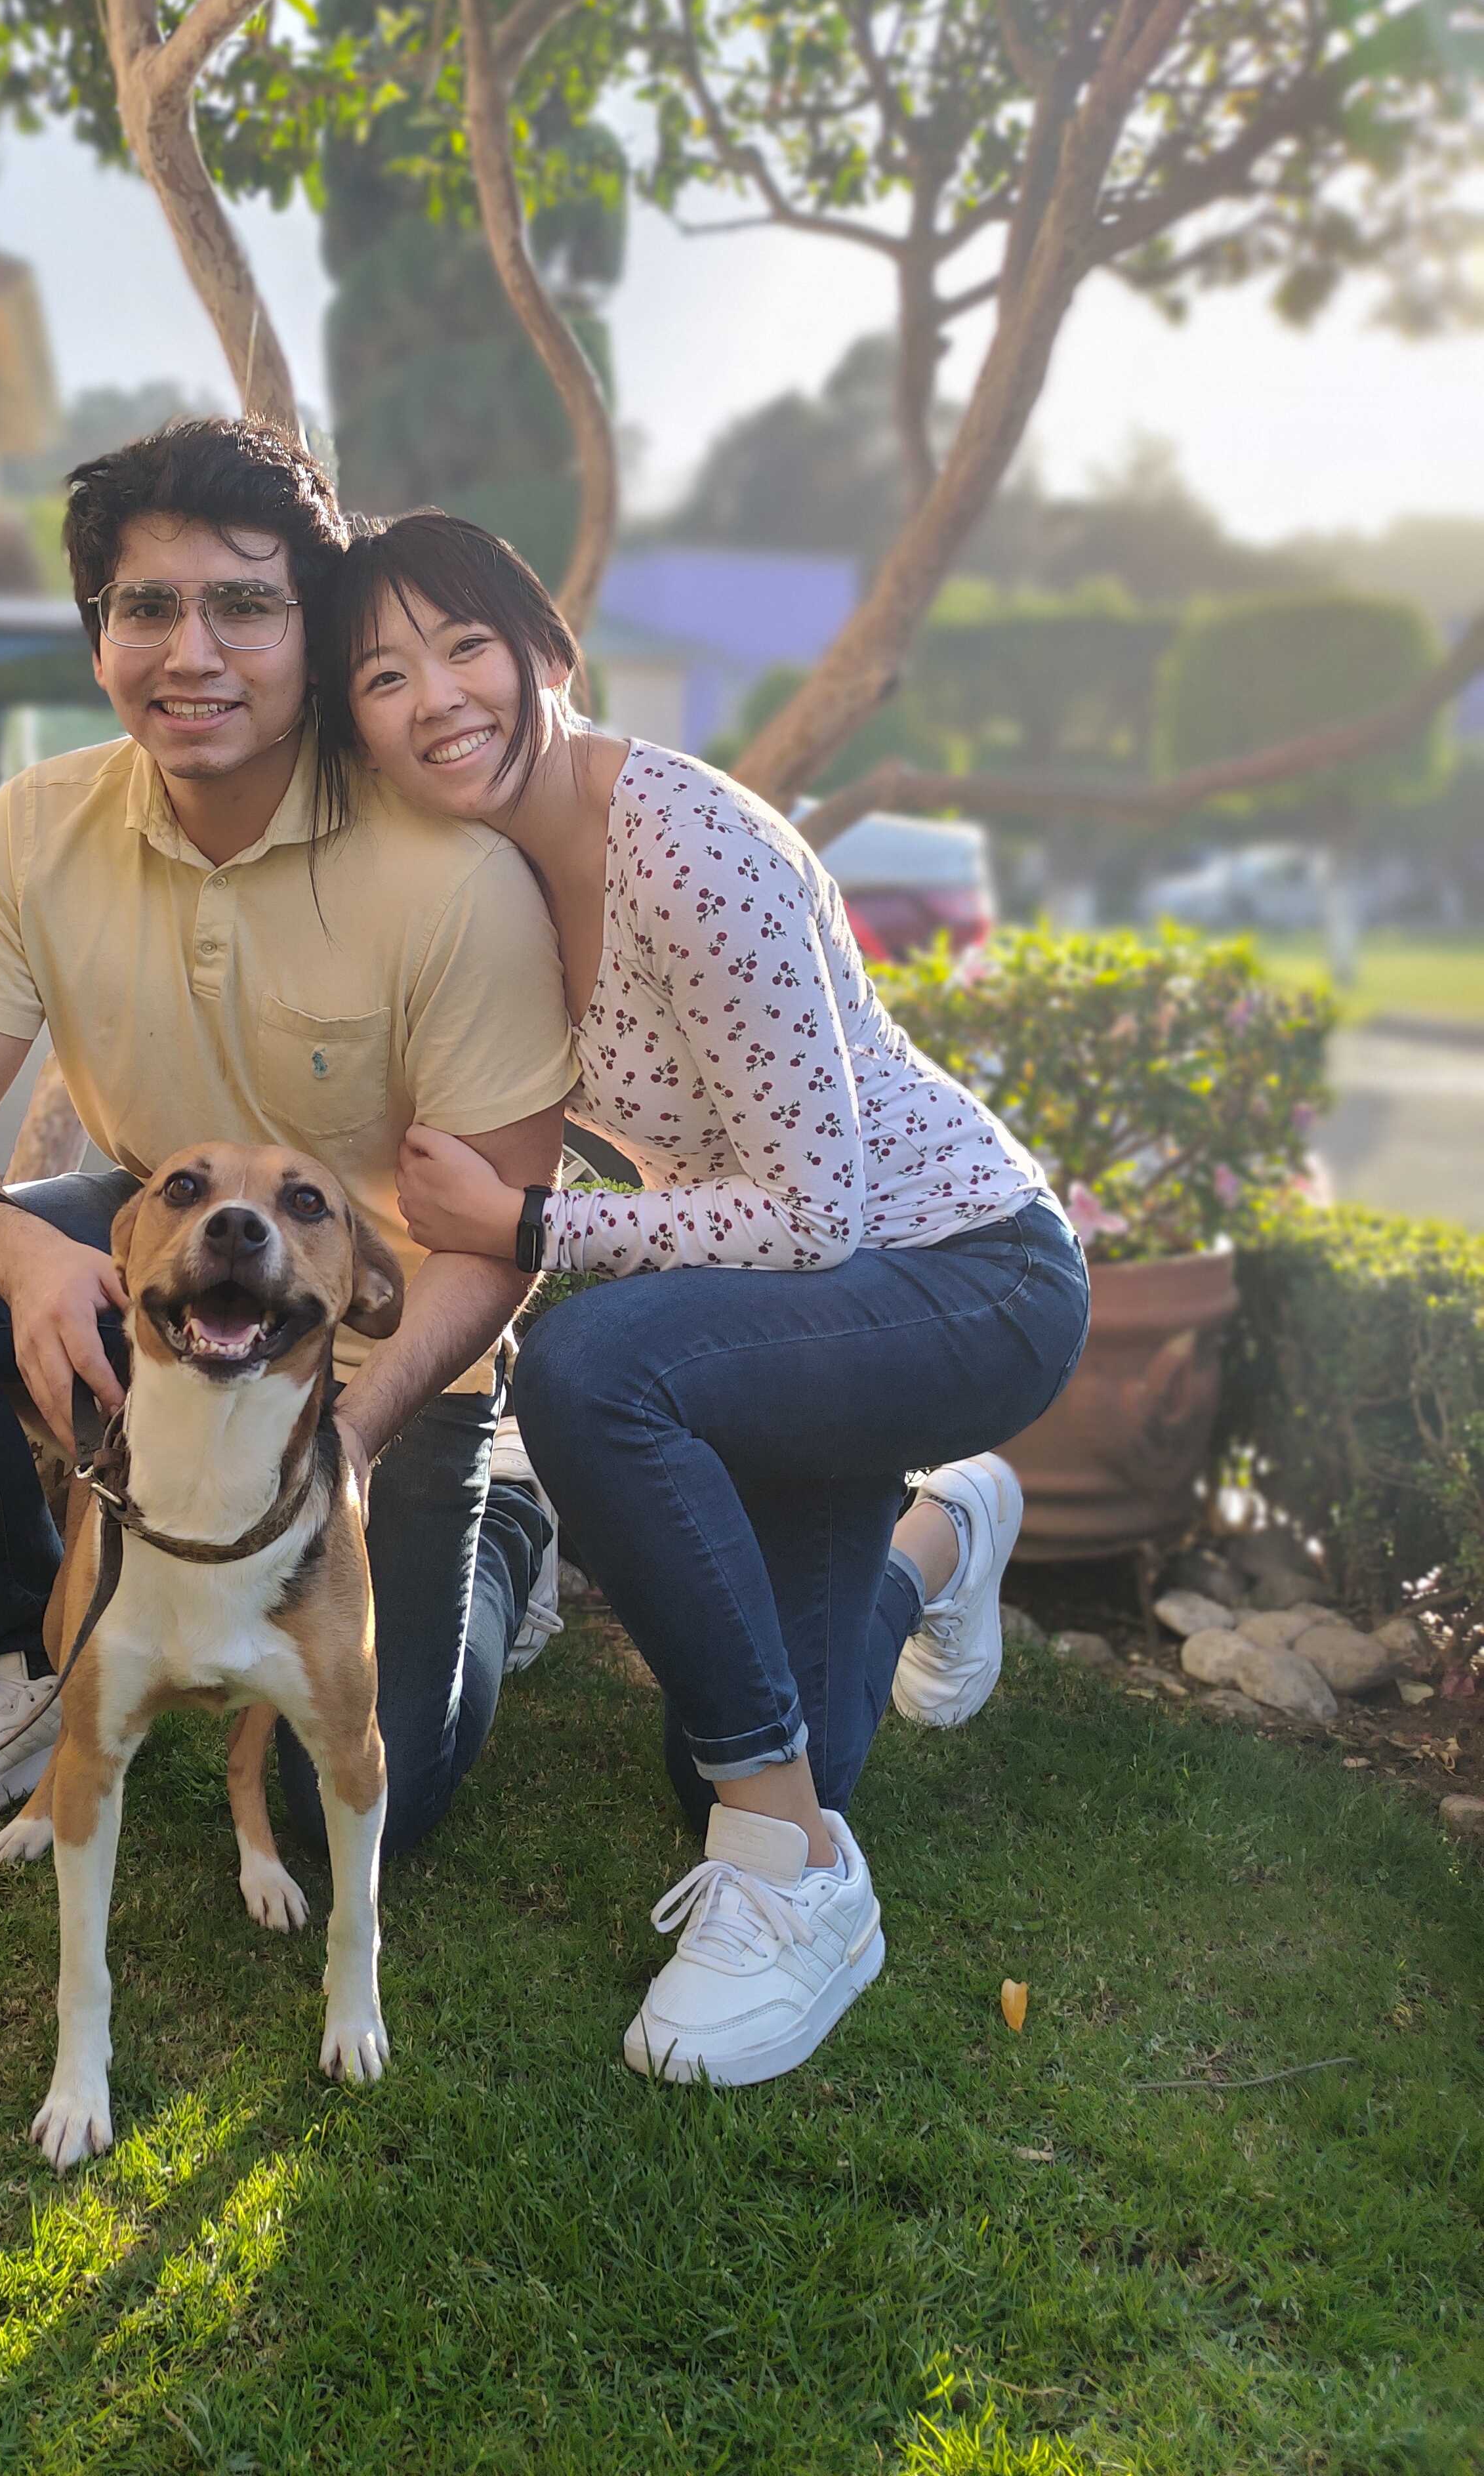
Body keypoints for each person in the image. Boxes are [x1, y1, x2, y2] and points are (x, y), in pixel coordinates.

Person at [314, 511, 1090, 2088]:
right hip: (802, 1319)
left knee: (592, 1373)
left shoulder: (689, 842)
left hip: (965, 1278)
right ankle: (944, 1534)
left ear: (548, 652)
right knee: (729, 1754)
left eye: (465, 644)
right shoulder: (498, 874)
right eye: (383, 676)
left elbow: (819, 1217)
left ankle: (800, 1889)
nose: (436, 697)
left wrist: (536, 1221)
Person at [0, 423, 577, 1860]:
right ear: (100, 638)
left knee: (353, 1813)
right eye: (148, 609)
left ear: (314, 626)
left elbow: (499, 1230)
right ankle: (36, 1675)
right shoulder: (42, 824)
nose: (192, 654)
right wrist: (33, 1264)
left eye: (245, 605)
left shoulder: (450, 873)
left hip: (391, 1334)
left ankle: (511, 1529)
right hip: (178, 1255)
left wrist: (344, 1433)